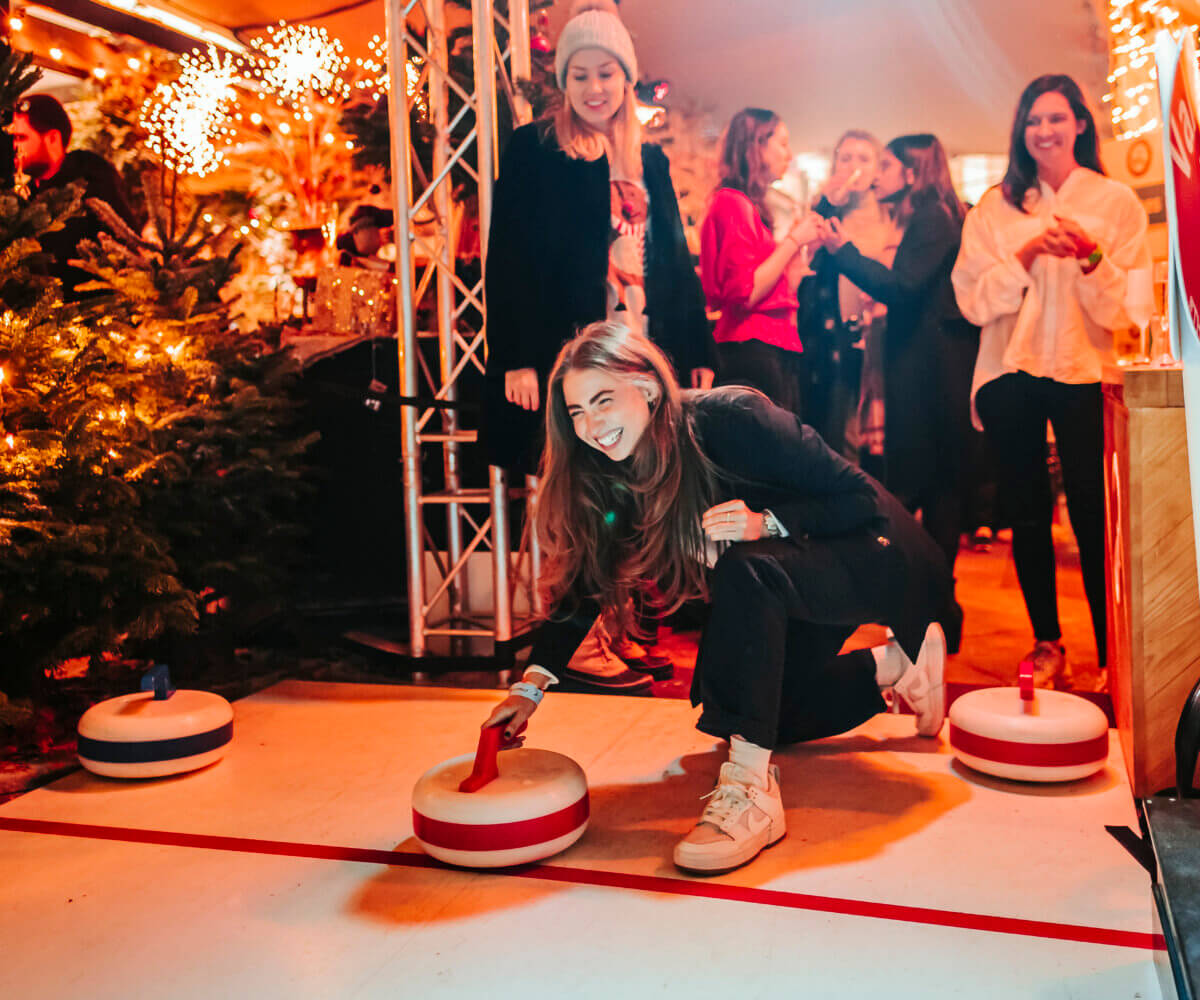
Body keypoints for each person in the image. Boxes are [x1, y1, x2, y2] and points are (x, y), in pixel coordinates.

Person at [482, 321, 951, 875]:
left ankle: (753, 797)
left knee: (743, 569)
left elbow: (857, 499)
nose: (591, 426)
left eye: (603, 400)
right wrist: (529, 687)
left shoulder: (733, 418)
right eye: (577, 412)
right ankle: (899, 665)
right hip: (792, 572)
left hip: (880, 556)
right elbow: (589, 579)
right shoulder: (615, 471)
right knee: (748, 709)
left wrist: (767, 522)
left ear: (649, 388)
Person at [482, 0, 711, 692]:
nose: (593, 88)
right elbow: (509, 257)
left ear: (626, 78)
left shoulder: (649, 161)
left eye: (606, 73)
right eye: (579, 74)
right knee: (572, 495)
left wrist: (694, 342)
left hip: (638, 354)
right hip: (565, 357)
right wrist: (517, 356)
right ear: (563, 79)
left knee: (636, 494)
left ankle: (617, 628)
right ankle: (574, 641)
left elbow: (674, 257)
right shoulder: (535, 149)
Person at [952, 74, 1152, 686]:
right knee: (1027, 510)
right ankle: (1047, 642)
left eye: (1056, 119)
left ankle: (1111, 652)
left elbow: (1129, 312)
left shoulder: (1114, 202)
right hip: (1010, 373)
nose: (1044, 131)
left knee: (1095, 514)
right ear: (1021, 130)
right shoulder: (996, 205)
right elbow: (972, 301)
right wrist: (1031, 251)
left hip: (1083, 372)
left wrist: (1091, 253)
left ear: (1080, 124)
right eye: (1034, 120)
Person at [818, 134, 976, 653]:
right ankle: (933, 617)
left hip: (928, 377)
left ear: (912, 171)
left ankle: (929, 613)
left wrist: (842, 251)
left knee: (918, 494)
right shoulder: (927, 215)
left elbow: (901, 287)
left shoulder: (934, 217)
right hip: (926, 373)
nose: (878, 173)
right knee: (931, 494)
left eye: (886, 164)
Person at [700, 108, 820, 417]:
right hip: (753, 347)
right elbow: (746, 292)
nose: (789, 154)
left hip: (767, 344)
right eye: (782, 143)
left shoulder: (746, 206)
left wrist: (797, 255)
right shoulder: (732, 202)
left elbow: (770, 288)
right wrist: (793, 240)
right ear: (757, 145)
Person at [798, 130, 898, 457]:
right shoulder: (825, 212)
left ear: (877, 169)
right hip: (833, 341)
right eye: (846, 158)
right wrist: (827, 204)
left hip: (882, 339)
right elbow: (805, 264)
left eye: (863, 158)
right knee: (838, 432)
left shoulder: (891, 216)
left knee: (876, 435)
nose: (853, 166)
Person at [10, 94, 135, 300]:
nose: (14, 147)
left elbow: (124, 245)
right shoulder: (26, 194)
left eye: (21, 137)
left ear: (52, 138)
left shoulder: (91, 179)